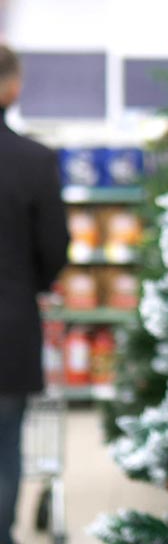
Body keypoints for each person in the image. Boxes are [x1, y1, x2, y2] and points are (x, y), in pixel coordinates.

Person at [0, 45, 69, 544]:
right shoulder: (35, 161)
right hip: (10, 328)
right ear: (13, 88)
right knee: (5, 447)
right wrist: (34, 284)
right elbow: (54, 248)